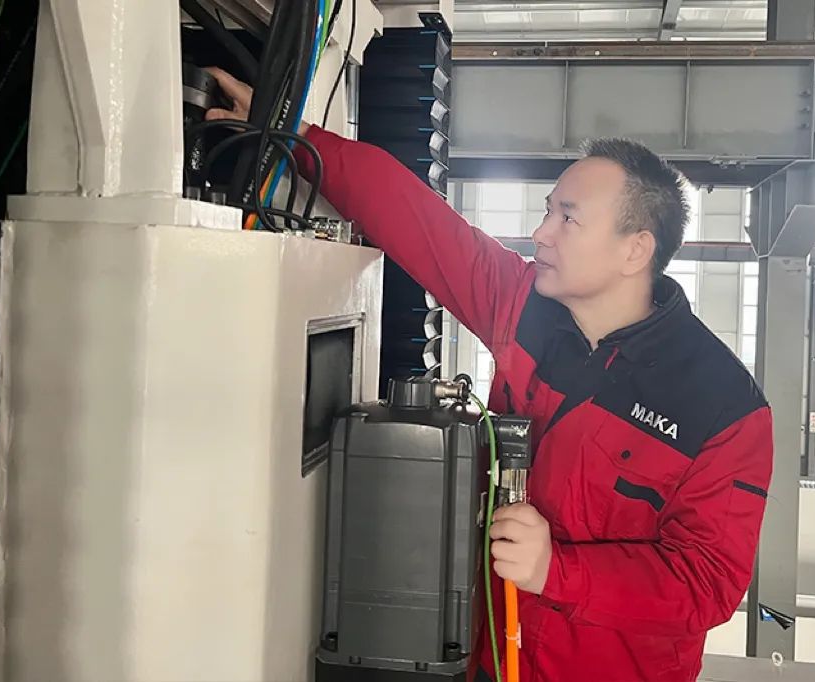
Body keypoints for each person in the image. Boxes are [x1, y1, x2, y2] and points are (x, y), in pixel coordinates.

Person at [207, 68, 774, 682]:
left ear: (635, 249)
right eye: (548, 212)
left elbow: (707, 585)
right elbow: (417, 221)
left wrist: (557, 571)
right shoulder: (523, 305)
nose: (540, 233)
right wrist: (292, 133)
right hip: (490, 657)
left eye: (567, 219)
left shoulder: (722, 406)